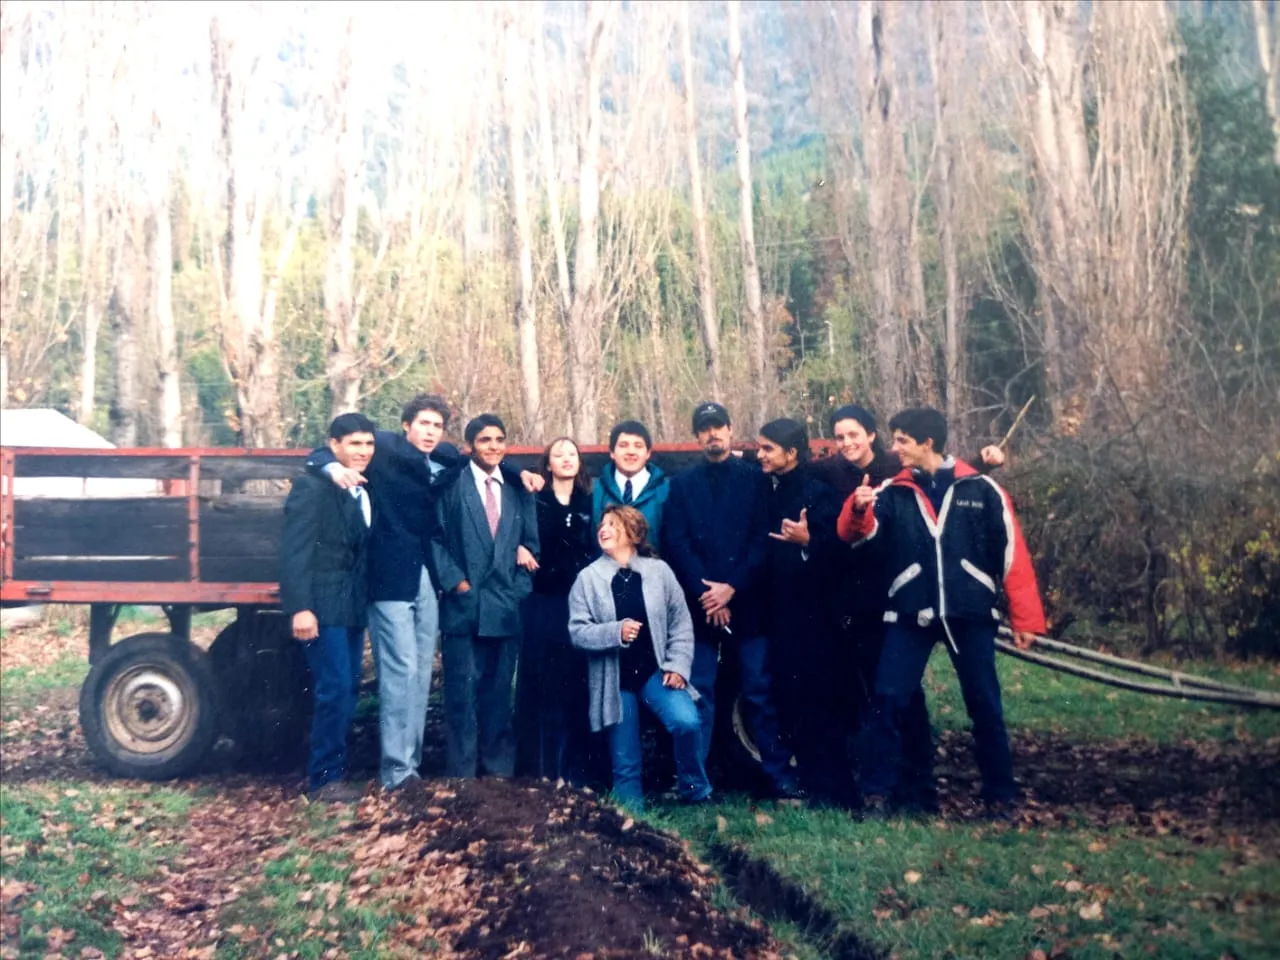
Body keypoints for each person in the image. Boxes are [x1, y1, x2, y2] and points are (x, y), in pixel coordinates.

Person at [306, 394, 533, 795]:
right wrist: (329, 468)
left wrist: (519, 474)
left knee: (421, 674)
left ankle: (409, 767)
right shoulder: (384, 449)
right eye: (423, 424)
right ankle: (397, 772)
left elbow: (483, 458)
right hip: (389, 577)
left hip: (427, 577)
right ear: (406, 425)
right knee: (400, 673)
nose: (429, 432)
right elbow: (325, 450)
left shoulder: (444, 457)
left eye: (436, 425)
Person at [839, 407, 1045, 818]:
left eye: (902, 440)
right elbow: (854, 534)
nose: (894, 447)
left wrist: (1026, 619)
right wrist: (857, 508)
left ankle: (1000, 798)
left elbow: (1012, 556)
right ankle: (877, 795)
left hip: (969, 615)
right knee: (887, 700)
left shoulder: (983, 490)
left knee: (984, 704)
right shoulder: (892, 491)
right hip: (909, 614)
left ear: (927, 443)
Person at [663, 401, 803, 800]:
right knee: (699, 692)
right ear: (697, 436)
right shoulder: (682, 484)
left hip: (748, 604)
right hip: (701, 607)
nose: (713, 435)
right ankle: (696, 781)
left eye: (718, 427)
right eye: (705, 429)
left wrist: (732, 588)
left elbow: (763, 539)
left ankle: (779, 775)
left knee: (759, 690)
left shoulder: (756, 480)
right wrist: (708, 593)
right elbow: (677, 542)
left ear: (730, 429)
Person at [568, 505, 712, 811]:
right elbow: (578, 633)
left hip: (656, 673)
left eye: (612, 524)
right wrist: (615, 632)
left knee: (686, 722)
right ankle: (633, 818)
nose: (603, 530)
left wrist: (678, 666)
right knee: (626, 762)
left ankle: (695, 791)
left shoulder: (659, 571)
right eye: (601, 525)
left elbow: (681, 622)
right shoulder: (587, 578)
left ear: (633, 533)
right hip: (615, 683)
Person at [431, 414, 540, 779]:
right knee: (462, 695)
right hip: (464, 606)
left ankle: (498, 773)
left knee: (497, 695)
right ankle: (461, 775)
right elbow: (434, 540)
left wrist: (517, 593)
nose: (493, 446)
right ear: (469, 447)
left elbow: (531, 546)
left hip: (504, 608)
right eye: (484, 440)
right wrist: (456, 582)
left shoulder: (516, 490)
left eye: (499, 439)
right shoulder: (451, 486)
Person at [755, 418, 856, 808]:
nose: (759, 455)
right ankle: (813, 786)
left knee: (822, 706)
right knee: (792, 703)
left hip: (815, 621)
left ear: (792, 453)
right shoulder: (766, 488)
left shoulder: (818, 493)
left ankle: (837, 792)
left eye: (767, 449)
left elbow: (839, 552)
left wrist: (807, 540)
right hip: (778, 616)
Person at [280, 413, 377, 803]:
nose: (364, 452)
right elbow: (294, 551)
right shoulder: (312, 487)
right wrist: (301, 608)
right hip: (321, 605)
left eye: (369, 444)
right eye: (355, 444)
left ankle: (332, 772)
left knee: (347, 688)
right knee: (334, 688)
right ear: (334, 445)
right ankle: (323, 780)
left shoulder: (359, 486)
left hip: (351, 605)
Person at [514, 437, 599, 782]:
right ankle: (541, 771)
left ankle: (578, 772)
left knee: (577, 686)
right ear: (547, 464)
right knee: (543, 685)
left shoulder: (590, 502)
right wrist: (519, 546)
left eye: (572, 454)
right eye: (558, 454)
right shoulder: (534, 500)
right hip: (543, 602)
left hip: (580, 604)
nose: (566, 459)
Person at [591, 420, 673, 550]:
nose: (631, 451)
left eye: (638, 446)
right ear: (612, 452)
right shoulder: (594, 490)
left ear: (648, 453)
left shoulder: (667, 490)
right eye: (623, 445)